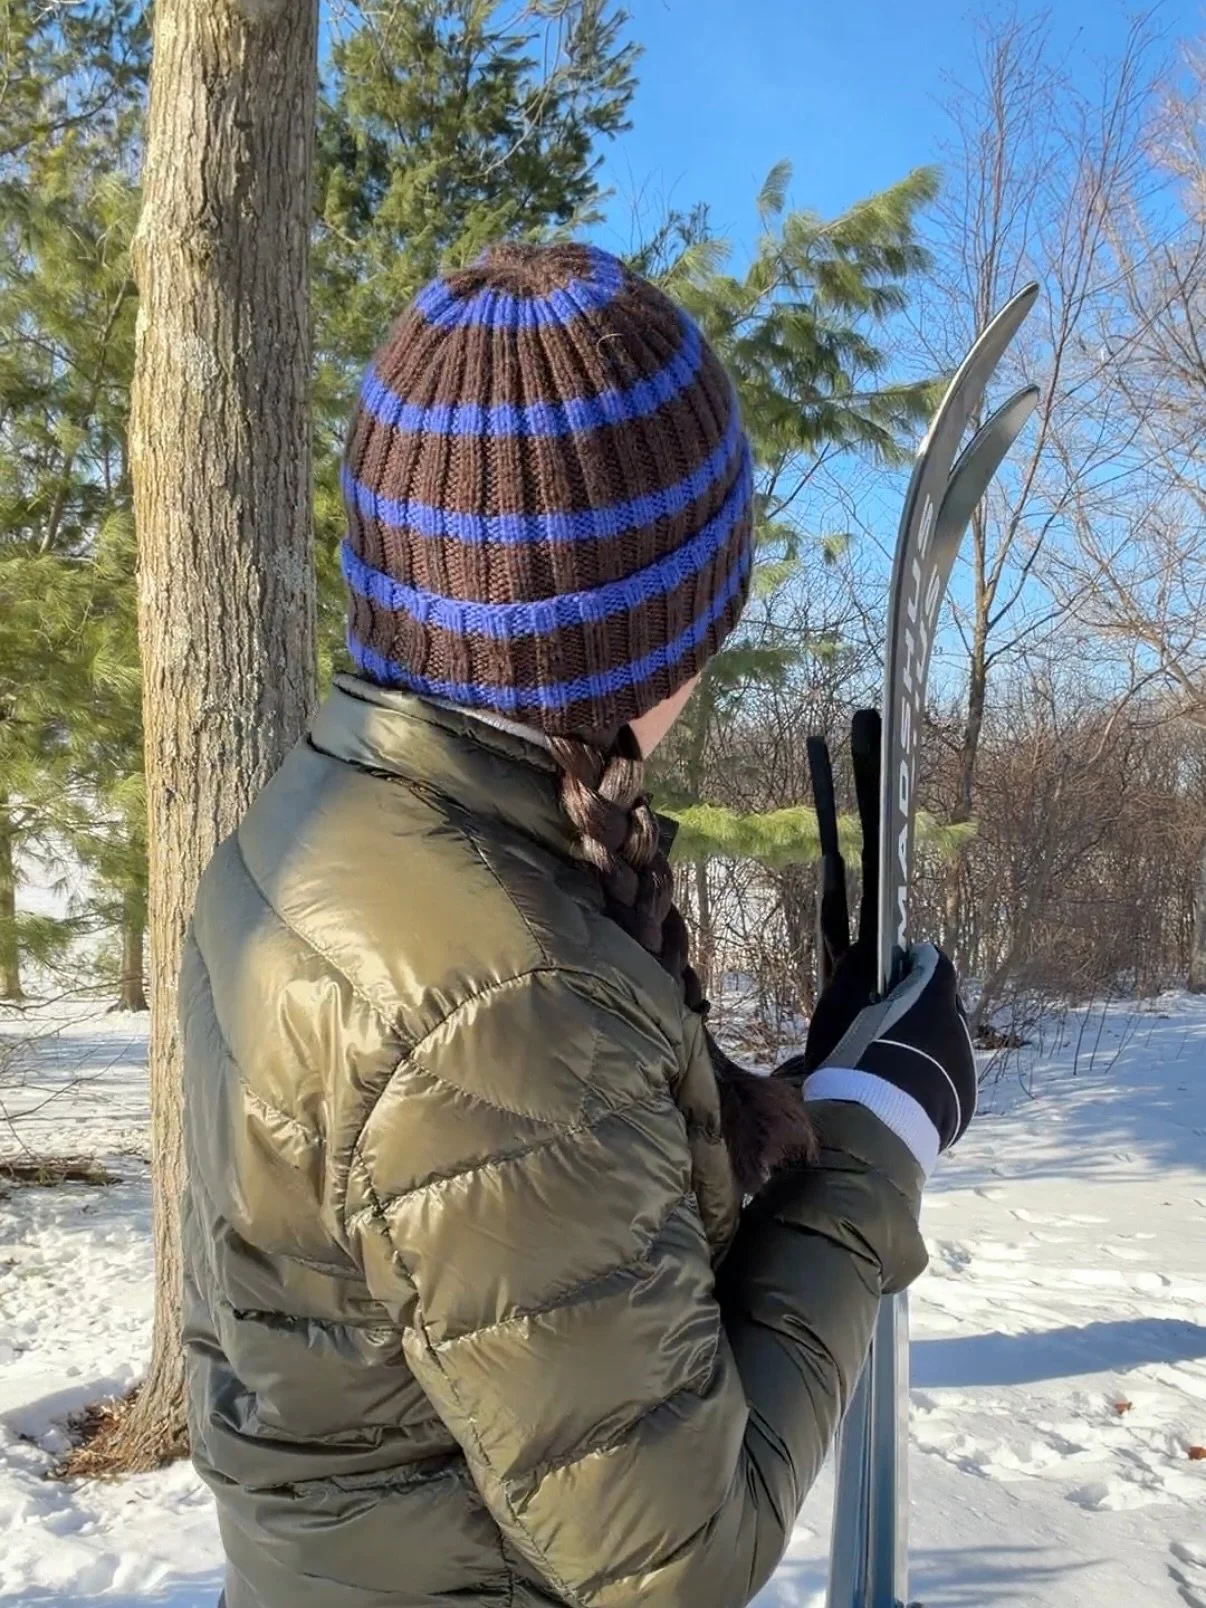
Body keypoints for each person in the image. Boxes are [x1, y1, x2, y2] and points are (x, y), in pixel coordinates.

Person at [180, 242, 977, 1608]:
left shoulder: (351, 818)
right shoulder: (495, 998)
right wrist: (873, 1143)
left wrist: (789, 1107)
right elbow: (676, 1554)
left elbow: (537, 1284)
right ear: (654, 632)